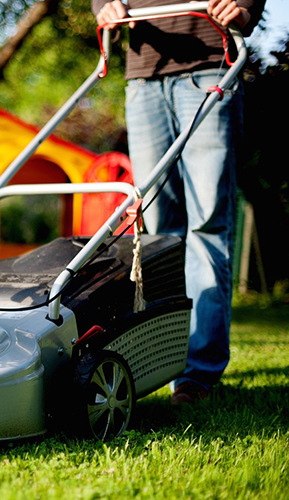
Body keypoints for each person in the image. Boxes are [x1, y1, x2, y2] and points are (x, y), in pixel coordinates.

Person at [92, 0, 266, 404]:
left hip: (211, 62)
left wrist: (244, 6)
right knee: (158, 231)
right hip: (144, 73)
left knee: (207, 224)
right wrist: (104, 6)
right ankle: (163, 360)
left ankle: (197, 373)